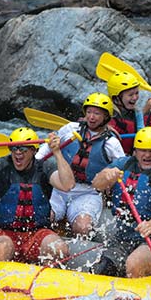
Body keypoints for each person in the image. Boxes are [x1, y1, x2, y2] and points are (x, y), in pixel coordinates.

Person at [0, 127, 74, 264]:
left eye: (23, 149)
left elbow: (68, 185)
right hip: (4, 233)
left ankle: (45, 278)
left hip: (37, 233)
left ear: (34, 151)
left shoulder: (44, 167)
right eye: (14, 148)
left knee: (60, 249)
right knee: (4, 248)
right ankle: (0, 281)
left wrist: (57, 153)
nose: (18, 153)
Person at [91, 127, 151, 278]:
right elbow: (96, 184)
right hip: (123, 237)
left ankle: (134, 299)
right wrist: (106, 176)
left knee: (134, 264)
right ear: (135, 151)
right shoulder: (123, 164)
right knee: (102, 269)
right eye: (142, 150)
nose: (147, 155)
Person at [35, 92, 125, 238]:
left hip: (88, 192)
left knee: (83, 228)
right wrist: (36, 160)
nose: (91, 117)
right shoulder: (70, 128)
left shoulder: (111, 143)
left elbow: (123, 166)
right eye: (89, 112)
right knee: (43, 217)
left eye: (97, 113)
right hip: (59, 186)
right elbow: (49, 146)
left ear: (106, 117)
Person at [107, 71, 144, 154]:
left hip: (128, 156)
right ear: (116, 98)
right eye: (130, 95)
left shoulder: (137, 113)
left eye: (137, 93)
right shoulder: (106, 113)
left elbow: (141, 133)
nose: (135, 98)